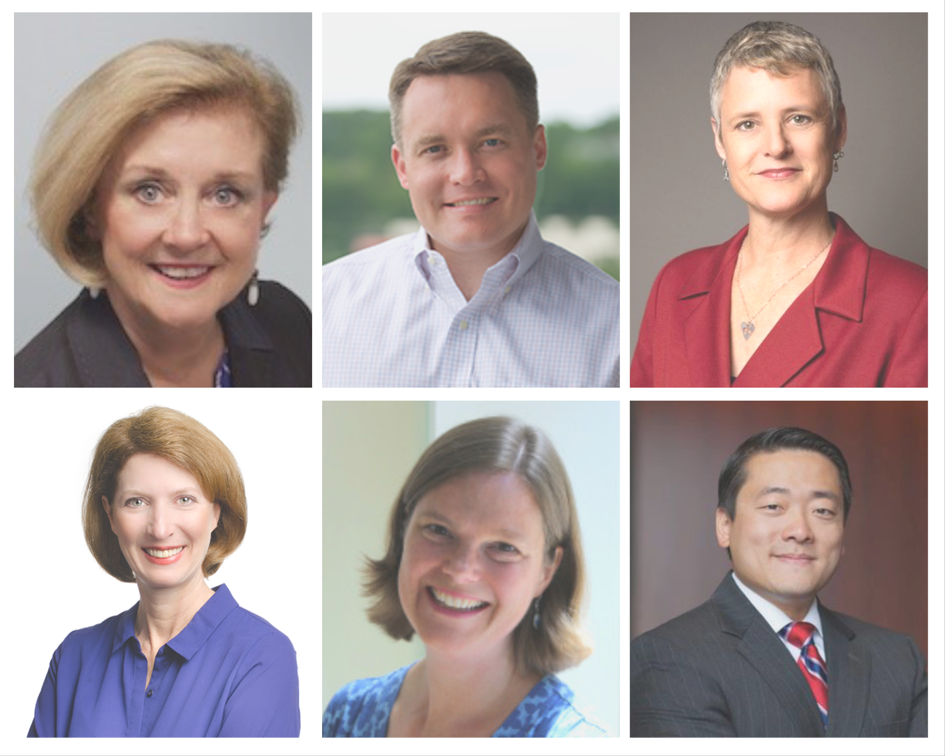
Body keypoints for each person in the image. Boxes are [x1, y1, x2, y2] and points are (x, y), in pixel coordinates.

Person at [630, 21, 927, 387]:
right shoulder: (673, 287)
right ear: (720, 140)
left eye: (798, 118)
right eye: (747, 124)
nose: (776, 145)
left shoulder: (915, 303)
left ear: (838, 128)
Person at [322, 32, 619, 388]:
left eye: (491, 142)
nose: (465, 173)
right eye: (435, 148)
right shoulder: (326, 304)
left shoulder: (615, 321)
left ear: (537, 148)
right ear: (402, 167)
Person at [15, 40, 311, 387]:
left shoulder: (292, 321)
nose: (187, 235)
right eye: (149, 191)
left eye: (224, 194)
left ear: (263, 208)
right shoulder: (33, 388)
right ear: (91, 209)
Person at [630, 426, 927, 737]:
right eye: (773, 506)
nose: (800, 530)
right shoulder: (665, 657)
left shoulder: (897, 658)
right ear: (725, 525)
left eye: (823, 511)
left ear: (843, 535)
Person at [323, 417, 605, 737]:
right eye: (439, 530)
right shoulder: (347, 716)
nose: (461, 569)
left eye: (503, 547)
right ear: (403, 530)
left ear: (546, 571)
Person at [28, 406, 300, 737]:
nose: (160, 529)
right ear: (110, 514)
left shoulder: (262, 656)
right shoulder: (74, 657)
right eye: (136, 502)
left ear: (216, 513)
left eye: (184, 500)